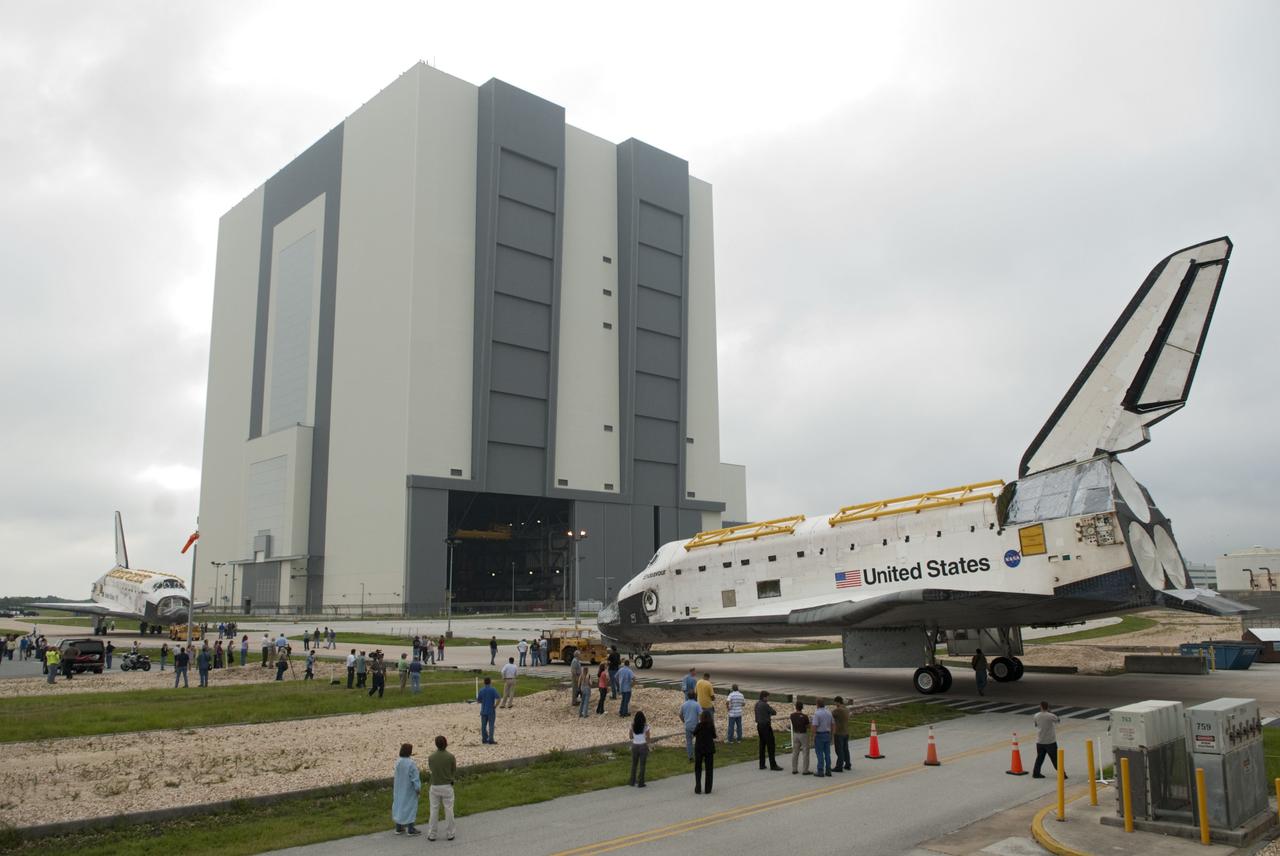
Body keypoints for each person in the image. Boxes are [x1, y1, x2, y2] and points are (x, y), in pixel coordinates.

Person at [426, 735, 456, 841]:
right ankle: (450, 833)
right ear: (446, 743)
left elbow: (431, 769)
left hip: (435, 786)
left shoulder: (431, 757)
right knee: (449, 809)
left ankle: (432, 834)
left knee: (434, 810)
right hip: (447, 785)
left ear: (436, 744)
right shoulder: (451, 756)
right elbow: (453, 770)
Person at [392, 743, 422, 836]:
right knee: (410, 807)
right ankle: (410, 829)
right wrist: (418, 788)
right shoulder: (411, 763)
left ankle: (399, 827)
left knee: (399, 806)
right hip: (409, 789)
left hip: (398, 788)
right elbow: (415, 778)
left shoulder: (398, 761)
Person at [1032, 701, 1065, 779]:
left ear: (1040, 707)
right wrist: (1050, 712)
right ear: (1048, 707)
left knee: (1039, 758)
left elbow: (1036, 725)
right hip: (1050, 741)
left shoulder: (1036, 715)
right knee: (1055, 759)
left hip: (1040, 741)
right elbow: (1058, 720)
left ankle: (1036, 773)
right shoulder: (1051, 715)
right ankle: (1062, 774)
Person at [756, 691, 782, 770]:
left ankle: (762, 764)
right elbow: (774, 712)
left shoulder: (757, 704)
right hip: (766, 726)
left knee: (762, 745)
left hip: (759, 725)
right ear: (764, 697)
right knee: (771, 745)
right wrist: (769, 714)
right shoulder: (765, 705)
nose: (768, 699)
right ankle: (773, 765)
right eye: (767, 697)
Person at [693, 710, 717, 794]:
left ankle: (698, 787)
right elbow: (714, 736)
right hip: (709, 749)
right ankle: (708, 788)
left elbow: (694, 733)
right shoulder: (711, 726)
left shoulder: (699, 725)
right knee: (709, 769)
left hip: (699, 748)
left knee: (698, 768)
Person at [811, 699, 834, 777]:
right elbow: (832, 724)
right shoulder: (829, 712)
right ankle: (828, 770)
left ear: (817, 704)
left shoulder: (817, 714)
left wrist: (813, 735)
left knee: (819, 753)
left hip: (819, 734)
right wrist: (832, 734)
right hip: (827, 734)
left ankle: (820, 770)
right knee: (827, 753)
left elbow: (814, 725)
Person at [629, 710, 652, 787]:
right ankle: (641, 782)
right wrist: (649, 746)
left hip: (635, 745)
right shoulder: (646, 726)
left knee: (634, 764)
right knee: (642, 765)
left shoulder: (632, 725)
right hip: (643, 745)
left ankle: (632, 781)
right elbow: (648, 738)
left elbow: (630, 737)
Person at [790, 701, 812, 775]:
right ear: (802, 707)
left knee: (795, 752)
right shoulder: (805, 716)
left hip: (795, 733)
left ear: (796, 707)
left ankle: (794, 769)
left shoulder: (792, 715)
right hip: (803, 734)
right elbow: (808, 726)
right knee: (805, 752)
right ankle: (805, 770)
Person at [477, 677, 500, 744]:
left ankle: (484, 739)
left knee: (483, 726)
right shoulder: (493, 689)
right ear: (490, 682)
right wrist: (495, 706)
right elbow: (498, 698)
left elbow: (478, 700)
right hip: (491, 710)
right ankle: (491, 739)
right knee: (491, 725)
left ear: (484, 682)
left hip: (483, 710)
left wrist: (482, 700)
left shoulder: (481, 690)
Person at [832, 696, 851, 772]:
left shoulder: (838, 710)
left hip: (839, 732)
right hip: (846, 732)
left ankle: (839, 766)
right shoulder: (846, 709)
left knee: (839, 750)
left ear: (837, 702)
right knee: (845, 749)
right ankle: (848, 764)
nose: (835, 704)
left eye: (835, 703)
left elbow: (830, 715)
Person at [680, 692, 702, 760]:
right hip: (696, 726)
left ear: (688, 696)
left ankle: (690, 757)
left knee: (689, 742)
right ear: (695, 696)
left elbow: (680, 715)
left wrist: (684, 721)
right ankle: (699, 755)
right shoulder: (697, 704)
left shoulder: (684, 705)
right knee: (699, 741)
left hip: (688, 725)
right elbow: (701, 714)